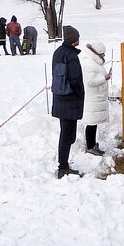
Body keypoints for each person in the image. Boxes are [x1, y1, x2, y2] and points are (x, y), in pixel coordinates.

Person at [51, 25, 85, 178]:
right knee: (67, 134)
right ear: (74, 40)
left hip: (60, 98)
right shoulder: (71, 56)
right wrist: (80, 93)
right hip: (70, 99)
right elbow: (75, 79)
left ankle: (63, 164)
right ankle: (63, 166)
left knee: (66, 133)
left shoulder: (58, 52)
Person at [81, 41, 112, 156]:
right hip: (93, 98)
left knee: (94, 123)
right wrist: (104, 78)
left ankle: (92, 144)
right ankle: (90, 146)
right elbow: (90, 82)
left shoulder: (96, 63)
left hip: (97, 97)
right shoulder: (90, 64)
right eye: (102, 54)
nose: (104, 56)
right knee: (91, 123)